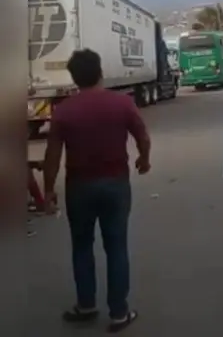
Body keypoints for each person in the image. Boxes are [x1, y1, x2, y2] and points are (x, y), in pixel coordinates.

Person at [43, 48, 150, 332]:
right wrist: (144, 158)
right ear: (100, 72)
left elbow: (52, 155)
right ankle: (118, 312)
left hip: (79, 187)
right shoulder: (122, 103)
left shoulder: (63, 111)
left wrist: (48, 191)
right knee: (116, 246)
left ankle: (86, 304)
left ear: (74, 78)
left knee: (81, 246)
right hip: (115, 184)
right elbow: (142, 134)